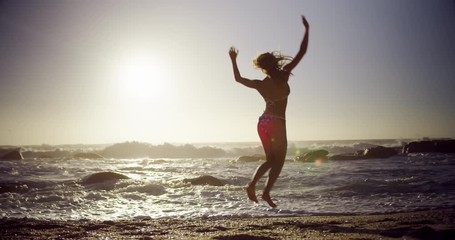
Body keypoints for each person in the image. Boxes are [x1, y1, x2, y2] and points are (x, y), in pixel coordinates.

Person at [229, 15, 309, 208]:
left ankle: (252, 186)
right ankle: (264, 192)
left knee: (270, 160)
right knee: (278, 162)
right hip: (277, 122)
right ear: (273, 62)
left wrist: (233, 60)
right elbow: (302, 51)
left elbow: (238, 79)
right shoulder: (283, 75)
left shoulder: (260, 84)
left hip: (263, 122)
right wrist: (307, 30)